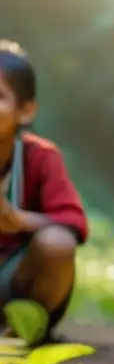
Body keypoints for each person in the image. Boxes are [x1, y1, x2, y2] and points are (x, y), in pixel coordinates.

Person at [0, 41, 88, 343]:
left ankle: (25, 331)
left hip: (19, 280)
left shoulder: (41, 157)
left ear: (25, 111)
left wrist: (18, 220)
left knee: (57, 243)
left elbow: (73, 222)